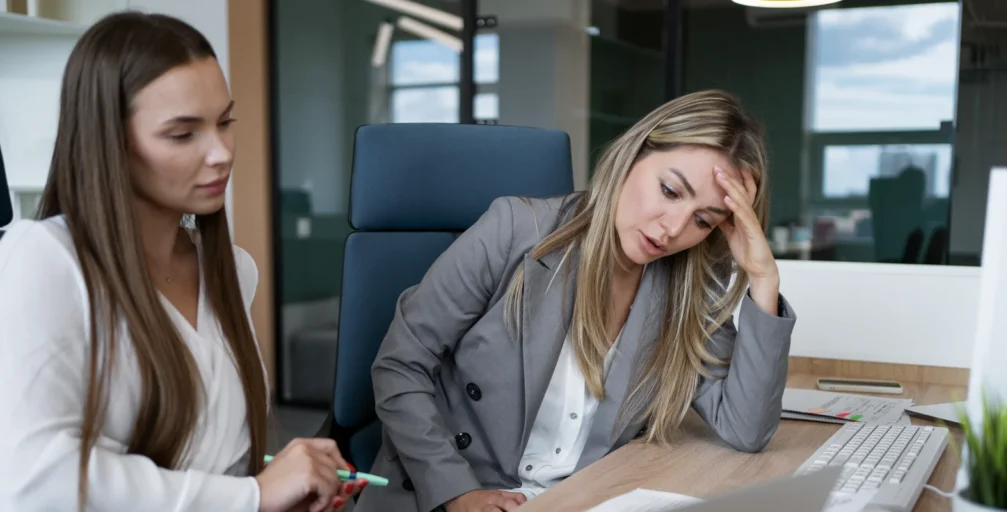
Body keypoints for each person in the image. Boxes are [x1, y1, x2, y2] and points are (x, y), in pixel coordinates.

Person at [356, 90, 797, 512]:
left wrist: (762, 278)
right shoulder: (514, 229)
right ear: (632, 154)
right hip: (454, 494)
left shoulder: (686, 288)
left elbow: (746, 429)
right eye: (669, 191)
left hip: (580, 499)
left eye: (703, 220)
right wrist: (457, 491)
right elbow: (400, 365)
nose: (674, 228)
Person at [0, 12, 363, 512]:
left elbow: (218, 465)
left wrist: (279, 486)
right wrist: (252, 496)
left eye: (225, 122)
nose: (221, 153)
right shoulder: (43, 260)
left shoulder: (232, 270)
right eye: (182, 134)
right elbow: (32, 479)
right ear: (110, 142)